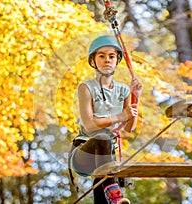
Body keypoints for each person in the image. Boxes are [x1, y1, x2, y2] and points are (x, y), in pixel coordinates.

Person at [69, 35, 142, 204]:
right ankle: (115, 196)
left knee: (102, 178)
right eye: (101, 56)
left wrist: (135, 98)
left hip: (106, 156)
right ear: (93, 61)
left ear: (117, 61)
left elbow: (129, 127)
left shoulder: (123, 90)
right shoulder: (86, 88)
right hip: (85, 152)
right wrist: (120, 116)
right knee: (102, 138)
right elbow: (89, 125)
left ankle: (109, 199)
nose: (107, 60)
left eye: (111, 56)